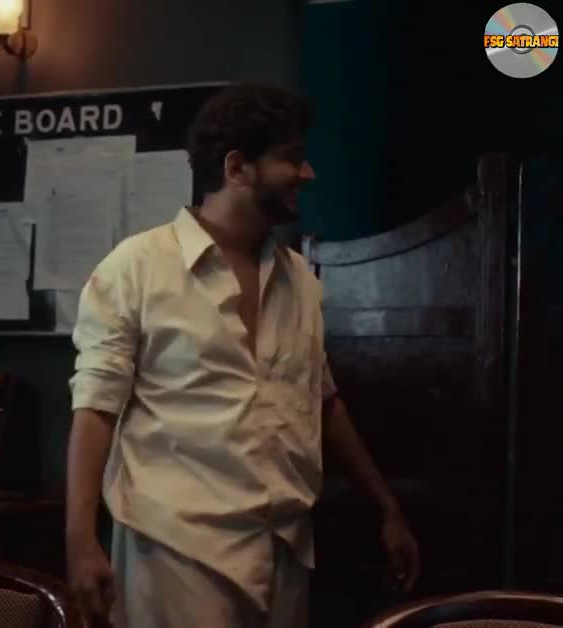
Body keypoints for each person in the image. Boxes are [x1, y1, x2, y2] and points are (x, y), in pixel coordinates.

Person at [64, 83, 421, 628]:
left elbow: (323, 401)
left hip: (285, 546)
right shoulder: (136, 267)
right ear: (237, 168)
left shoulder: (299, 280)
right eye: (292, 158)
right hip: (176, 551)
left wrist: (387, 508)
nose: (308, 174)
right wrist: (80, 541)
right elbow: (95, 409)